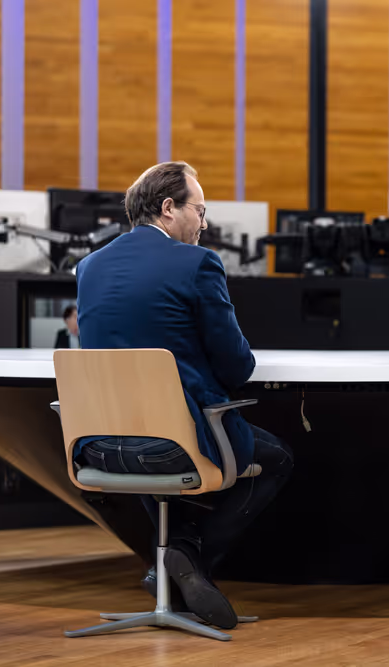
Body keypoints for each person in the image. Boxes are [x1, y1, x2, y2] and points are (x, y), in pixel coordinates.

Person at [73, 161, 294, 629]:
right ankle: (187, 557)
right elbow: (238, 366)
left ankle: (172, 562)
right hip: (173, 445)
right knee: (276, 458)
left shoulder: (88, 267)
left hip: (98, 445)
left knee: (152, 450)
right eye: (200, 209)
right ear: (169, 208)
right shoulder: (198, 263)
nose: (206, 223)